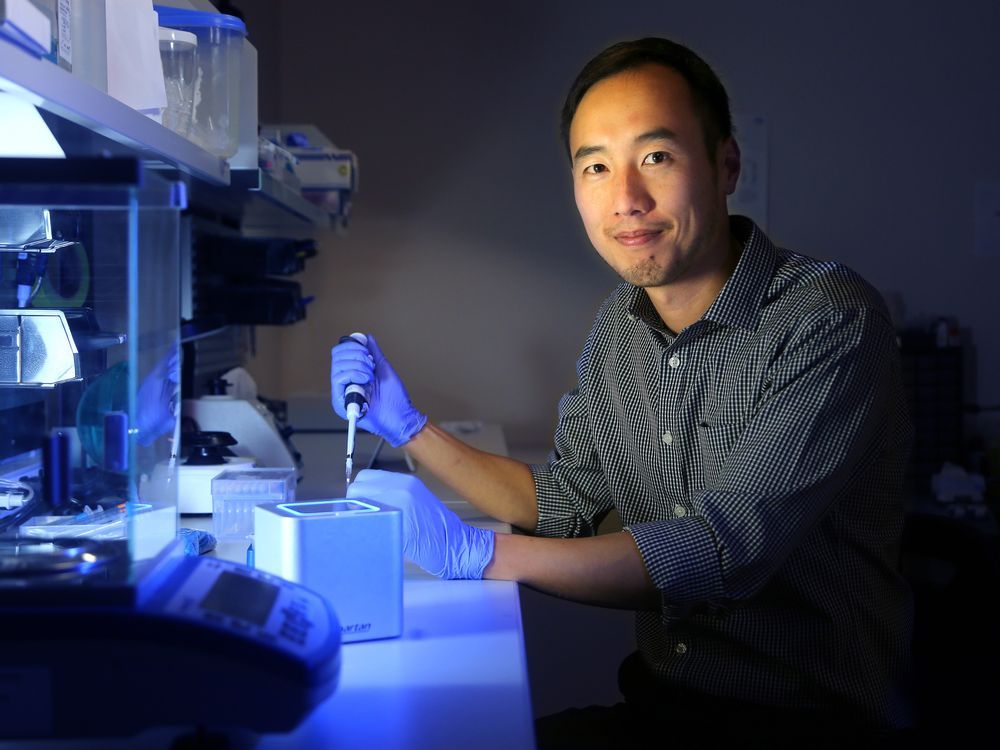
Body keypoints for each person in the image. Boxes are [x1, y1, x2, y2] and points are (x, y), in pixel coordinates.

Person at [331, 37, 914, 747]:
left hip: (808, 727)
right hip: (665, 705)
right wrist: (411, 427)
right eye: (597, 167)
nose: (627, 199)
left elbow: (719, 552)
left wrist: (479, 556)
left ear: (726, 164)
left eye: (657, 157)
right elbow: (567, 504)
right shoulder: (620, 325)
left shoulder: (828, 318)